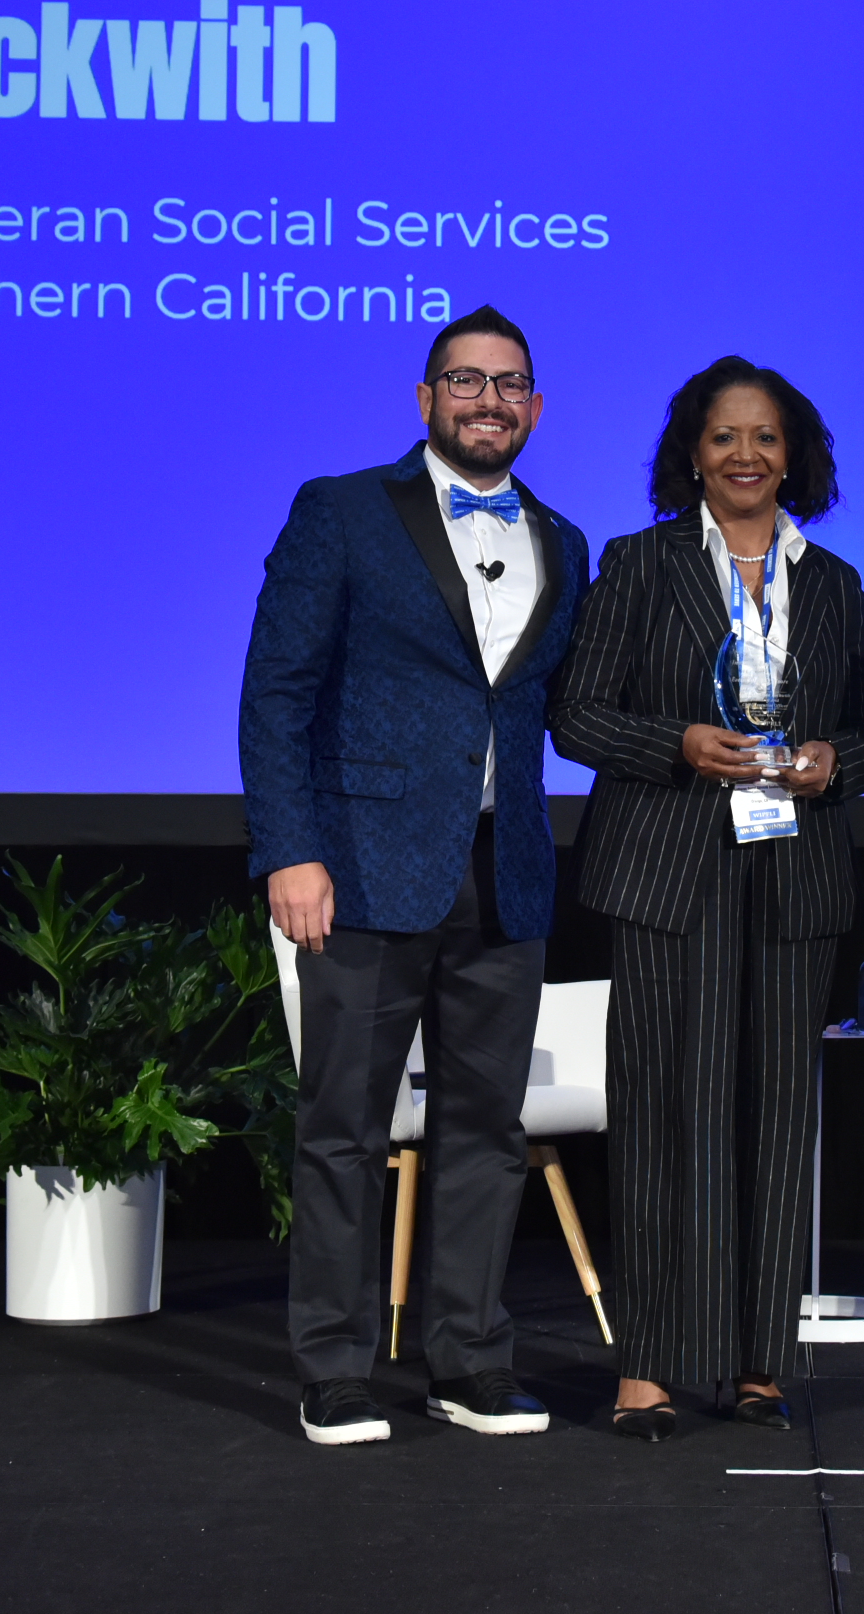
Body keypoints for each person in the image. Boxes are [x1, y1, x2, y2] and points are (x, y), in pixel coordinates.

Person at [240, 304, 589, 1447]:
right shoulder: (341, 510)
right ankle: (334, 1370)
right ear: (425, 396)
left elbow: (552, 706)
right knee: (342, 1126)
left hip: (509, 874)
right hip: (361, 868)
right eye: (464, 380)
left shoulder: (564, 540)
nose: (486, 400)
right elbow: (278, 692)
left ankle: (469, 1361)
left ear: (533, 407)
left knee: (485, 1132)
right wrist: (290, 848)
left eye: (507, 384)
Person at [550, 357, 864, 1443]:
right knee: (658, 1117)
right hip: (664, 875)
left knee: (777, 1121)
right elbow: (577, 718)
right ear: (690, 451)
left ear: (796, 457)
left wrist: (840, 758)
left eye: (766, 438)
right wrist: (679, 746)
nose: (745, 456)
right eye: (723, 436)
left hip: (794, 878)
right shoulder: (638, 565)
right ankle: (646, 1365)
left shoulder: (830, 582)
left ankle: (758, 1364)